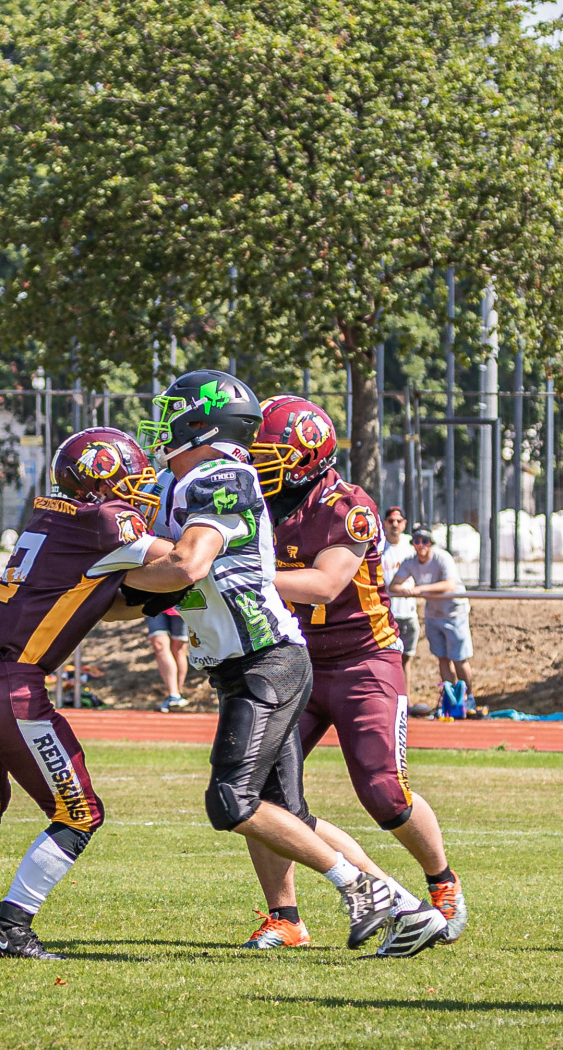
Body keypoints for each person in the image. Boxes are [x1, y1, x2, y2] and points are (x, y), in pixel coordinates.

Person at [124, 369, 443, 957]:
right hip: (264, 657)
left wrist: (224, 572)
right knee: (279, 810)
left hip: (331, 657)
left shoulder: (244, 483)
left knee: (252, 799)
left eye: (269, 454)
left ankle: (405, 887)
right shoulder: (195, 483)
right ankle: (393, 907)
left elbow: (308, 583)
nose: (256, 460)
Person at [235, 395, 466, 955]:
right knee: (258, 792)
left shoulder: (347, 506)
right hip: (293, 658)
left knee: (383, 791)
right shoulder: (253, 503)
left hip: (364, 660)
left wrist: (238, 574)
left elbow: (325, 585)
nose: (255, 466)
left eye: (268, 456)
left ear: (307, 458)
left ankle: (442, 883)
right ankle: (285, 917)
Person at [0, 427, 168, 959]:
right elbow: (184, 562)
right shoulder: (105, 520)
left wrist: (160, 597)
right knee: (79, 813)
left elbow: (97, 603)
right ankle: (11, 925)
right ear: (101, 481)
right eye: (131, 480)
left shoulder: (53, 516)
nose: (139, 490)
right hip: (9, 685)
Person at [391, 531, 475, 715]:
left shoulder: (442, 558)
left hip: (454, 613)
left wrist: (420, 589)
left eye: (425, 541)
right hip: (433, 614)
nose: (421, 545)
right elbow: (393, 586)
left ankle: (469, 699)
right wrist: (406, 590)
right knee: (442, 657)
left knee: (459, 658)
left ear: (431, 543)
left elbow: (450, 585)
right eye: (417, 541)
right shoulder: (410, 562)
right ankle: (451, 699)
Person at [380, 507, 420, 673]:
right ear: (384, 523)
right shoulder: (379, 546)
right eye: (391, 521)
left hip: (408, 612)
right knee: (387, 660)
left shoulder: (411, 545)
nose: (395, 525)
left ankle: (406, 691)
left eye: (399, 521)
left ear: (404, 524)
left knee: (406, 660)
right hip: (386, 613)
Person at [146, 605, 190, 711]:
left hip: (180, 603)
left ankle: (177, 694)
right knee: (159, 644)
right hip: (152, 602)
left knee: (179, 648)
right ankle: (173, 695)